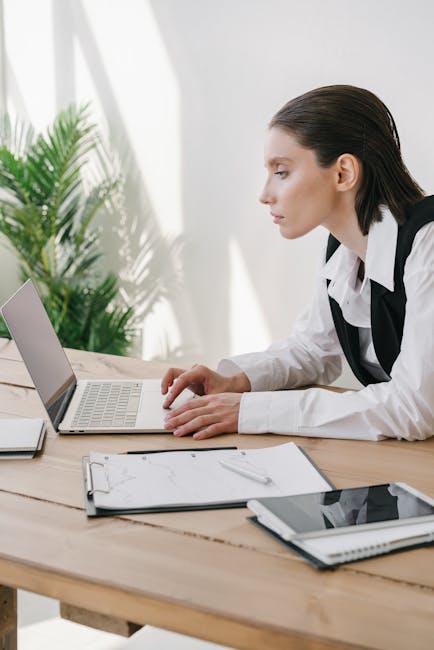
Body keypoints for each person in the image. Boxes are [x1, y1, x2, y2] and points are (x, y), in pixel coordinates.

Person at [161, 85, 434, 442]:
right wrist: (235, 382)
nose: (265, 194)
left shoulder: (427, 245)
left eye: (282, 172)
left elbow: (413, 407)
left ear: (343, 173)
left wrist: (249, 412)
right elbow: (313, 349)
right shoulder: (344, 249)